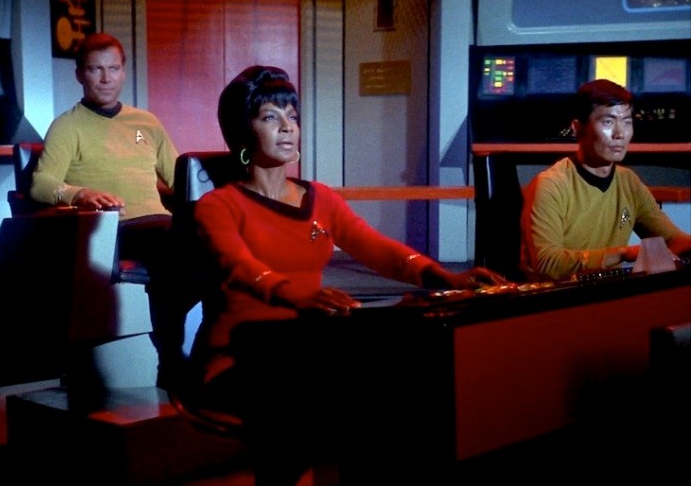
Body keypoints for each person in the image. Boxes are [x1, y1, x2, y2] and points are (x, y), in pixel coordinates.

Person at [188, 65, 508, 485]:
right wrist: (292, 294)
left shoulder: (320, 197)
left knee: (390, 392)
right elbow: (239, 265)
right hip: (238, 356)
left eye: (292, 117)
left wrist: (443, 277)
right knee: (312, 403)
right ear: (242, 130)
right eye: (270, 117)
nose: (287, 128)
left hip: (311, 347)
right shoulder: (218, 205)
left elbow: (377, 248)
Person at [30, 32, 193, 393]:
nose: (106, 78)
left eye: (113, 69)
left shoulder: (145, 123)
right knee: (173, 247)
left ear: (123, 72)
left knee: (209, 244)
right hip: (113, 228)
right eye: (96, 69)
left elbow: (182, 178)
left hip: (161, 225)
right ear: (80, 75)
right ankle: (171, 357)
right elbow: (41, 184)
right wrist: (81, 193)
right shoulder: (68, 126)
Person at [520, 78, 691, 282]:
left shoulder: (628, 182)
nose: (620, 134)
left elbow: (672, 239)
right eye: (608, 122)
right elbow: (547, 263)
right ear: (577, 128)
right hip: (556, 296)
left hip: (608, 293)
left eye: (627, 122)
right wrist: (623, 253)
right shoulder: (551, 184)